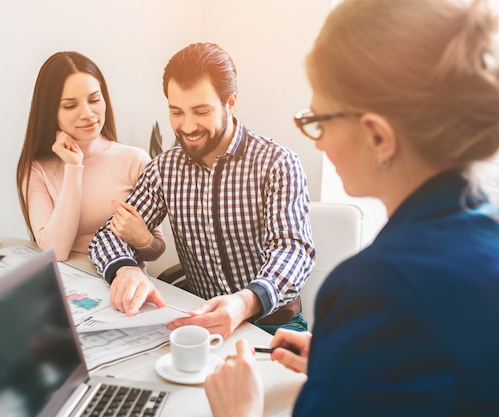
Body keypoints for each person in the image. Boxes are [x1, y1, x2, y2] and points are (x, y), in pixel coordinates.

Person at [204, 0, 499, 416]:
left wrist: (239, 412)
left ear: (378, 136)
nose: (318, 142)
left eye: (320, 121)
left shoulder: (376, 289)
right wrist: (349, 363)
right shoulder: (485, 233)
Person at [89, 42, 315, 337]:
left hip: (272, 325)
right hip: (201, 322)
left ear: (230, 103)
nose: (187, 126)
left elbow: (293, 250)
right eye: (177, 112)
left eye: (200, 111)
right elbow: (106, 237)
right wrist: (125, 269)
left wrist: (245, 302)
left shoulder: (277, 164)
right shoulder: (164, 169)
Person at [16, 52, 165, 262]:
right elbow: (55, 252)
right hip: (67, 286)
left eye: (94, 99)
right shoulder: (37, 169)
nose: (87, 113)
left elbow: (157, 248)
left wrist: (142, 240)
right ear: (51, 111)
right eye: (70, 105)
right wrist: (73, 167)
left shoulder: (135, 160)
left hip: (121, 283)